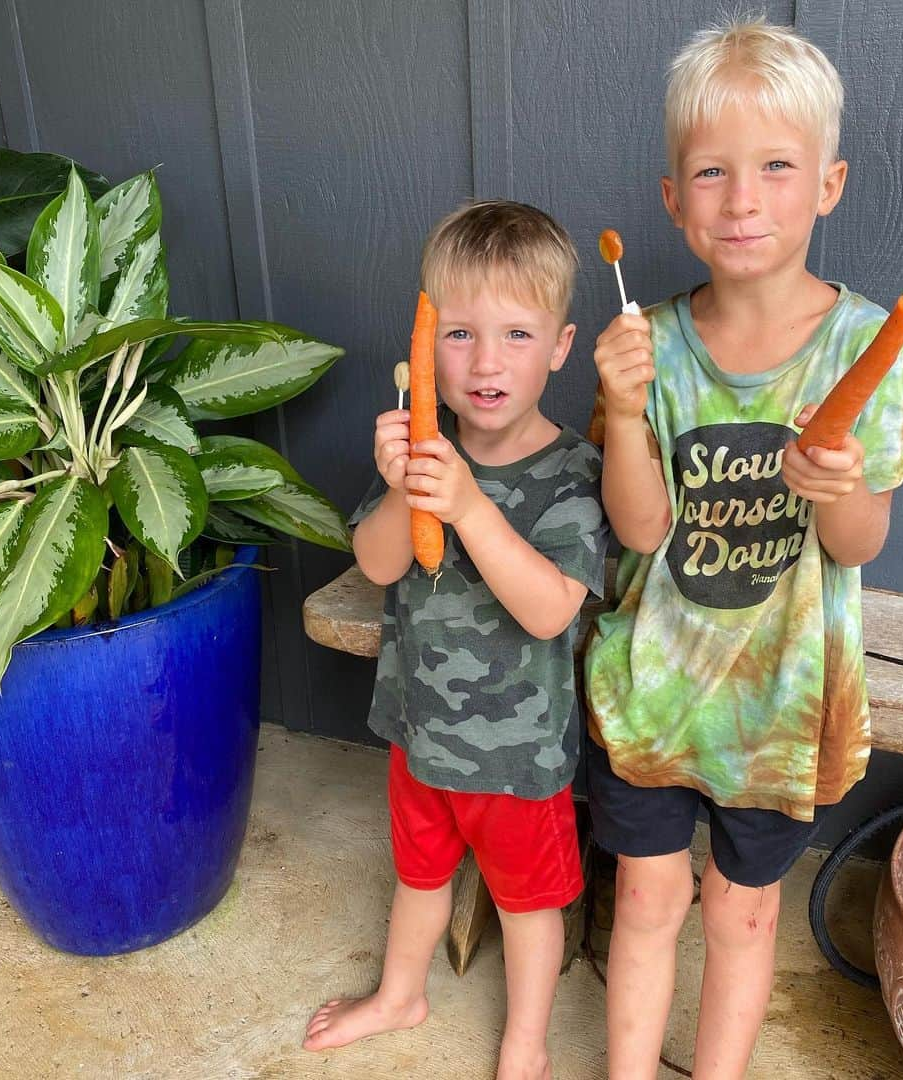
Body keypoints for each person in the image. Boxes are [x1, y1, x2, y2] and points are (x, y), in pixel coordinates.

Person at [584, 18, 903, 1079]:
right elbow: (643, 528)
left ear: (827, 185)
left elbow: (857, 542)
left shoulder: (868, 346)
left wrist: (840, 489)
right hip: (654, 687)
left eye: (775, 169)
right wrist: (618, 414)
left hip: (784, 709)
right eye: (712, 172)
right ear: (672, 198)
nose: (742, 199)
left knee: (742, 919)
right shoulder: (643, 344)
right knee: (647, 899)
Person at [304, 200, 609, 1080]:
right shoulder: (420, 446)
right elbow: (376, 561)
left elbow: (551, 609)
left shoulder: (568, 473)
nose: (485, 362)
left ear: (558, 346)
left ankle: (527, 1043)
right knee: (418, 878)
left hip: (517, 759)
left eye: (517, 334)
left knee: (527, 905)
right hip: (421, 732)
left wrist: (470, 506)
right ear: (425, 345)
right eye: (462, 333)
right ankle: (402, 993)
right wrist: (406, 488)